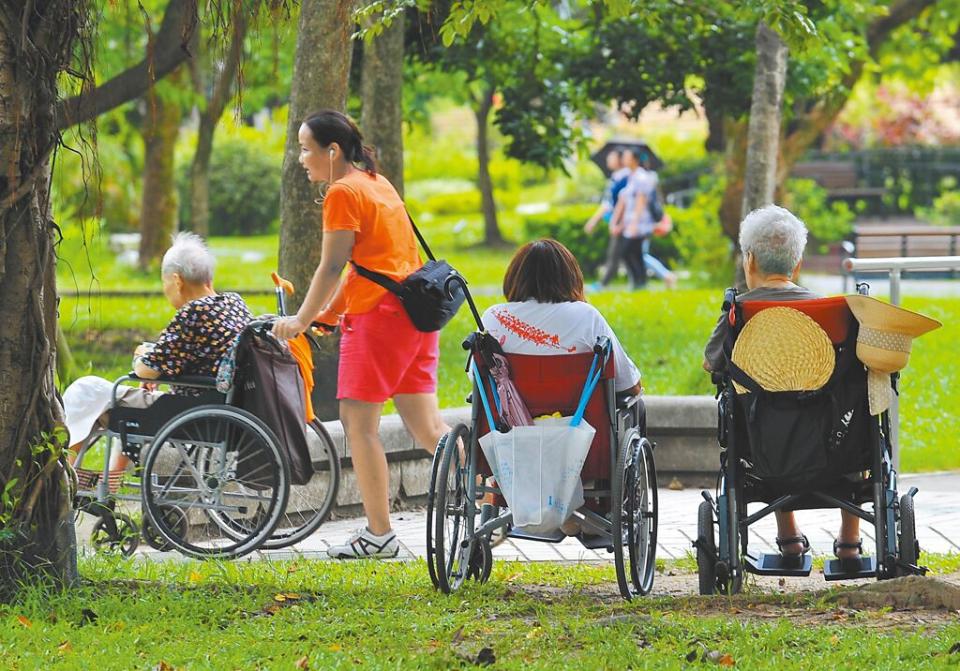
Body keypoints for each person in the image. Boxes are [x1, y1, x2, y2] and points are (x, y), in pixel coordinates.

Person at [272, 110, 449, 560]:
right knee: (429, 428)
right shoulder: (377, 182)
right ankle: (491, 493)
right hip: (413, 316)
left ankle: (379, 533)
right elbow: (369, 266)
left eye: (306, 148)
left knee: (358, 424)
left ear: (332, 151)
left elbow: (332, 266)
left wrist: (302, 320)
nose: (300, 158)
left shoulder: (343, 192)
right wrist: (330, 314)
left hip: (378, 321)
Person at [702, 204, 862, 565]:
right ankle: (850, 541)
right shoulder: (830, 310)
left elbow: (711, 362)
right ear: (798, 262)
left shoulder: (738, 312)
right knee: (854, 408)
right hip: (833, 446)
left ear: (750, 260)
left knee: (766, 411)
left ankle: (789, 537)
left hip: (765, 447)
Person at [482, 239, 643, 535]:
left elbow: (478, 385)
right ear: (570, 277)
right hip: (579, 448)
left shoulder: (493, 318)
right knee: (634, 408)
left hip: (512, 446)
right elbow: (629, 384)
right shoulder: (586, 318)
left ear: (515, 276)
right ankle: (589, 511)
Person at [63, 233, 253, 468]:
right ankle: (108, 483)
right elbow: (197, 352)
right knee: (123, 401)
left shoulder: (192, 312)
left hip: (188, 410)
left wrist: (142, 354)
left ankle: (65, 478)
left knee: (85, 390)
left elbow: (145, 370)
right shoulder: (235, 303)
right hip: (224, 404)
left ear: (177, 281)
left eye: (164, 283)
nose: (165, 290)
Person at [585, 149, 631, 289]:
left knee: (617, 253)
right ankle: (638, 282)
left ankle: (602, 284)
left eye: (611, 156)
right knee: (629, 254)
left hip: (623, 221)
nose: (608, 159)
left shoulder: (625, 178)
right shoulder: (615, 177)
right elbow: (608, 203)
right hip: (617, 221)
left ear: (620, 159)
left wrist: (617, 222)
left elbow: (619, 203)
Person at [608, 148, 655, 289]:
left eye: (627, 156)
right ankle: (640, 282)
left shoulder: (641, 177)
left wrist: (634, 224)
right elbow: (625, 202)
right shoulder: (630, 176)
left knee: (626, 252)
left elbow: (641, 202)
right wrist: (621, 223)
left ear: (634, 159)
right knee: (636, 253)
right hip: (630, 223)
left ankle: (639, 281)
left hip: (639, 224)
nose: (624, 159)